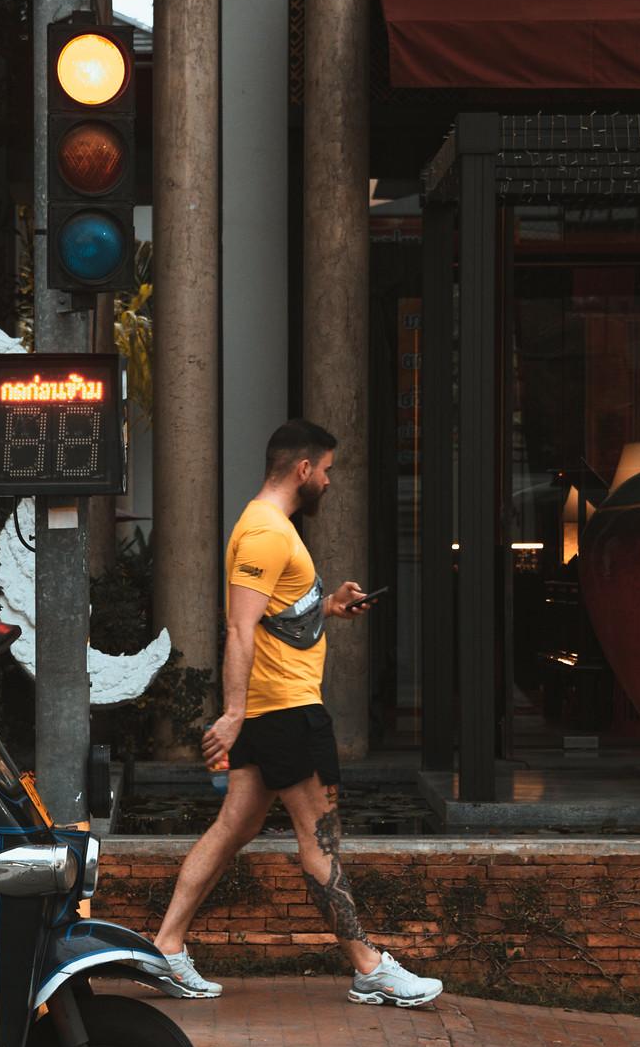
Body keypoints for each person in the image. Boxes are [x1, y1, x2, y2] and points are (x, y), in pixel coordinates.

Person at [152, 419, 444, 1010]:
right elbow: (238, 627)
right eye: (328, 470)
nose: (330, 481)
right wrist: (232, 714)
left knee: (235, 826)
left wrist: (330, 606)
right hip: (285, 710)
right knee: (322, 839)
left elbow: (276, 615)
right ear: (304, 469)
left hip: (275, 709)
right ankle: (368, 967)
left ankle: (166, 947)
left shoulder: (271, 528)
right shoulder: (264, 532)